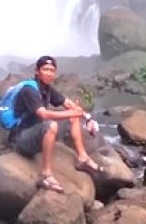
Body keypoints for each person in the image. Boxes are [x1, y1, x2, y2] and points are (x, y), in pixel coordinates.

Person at [8, 54, 103, 193]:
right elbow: (43, 114)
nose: (49, 73)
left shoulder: (47, 89)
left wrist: (88, 117)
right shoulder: (29, 90)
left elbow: (70, 105)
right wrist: (73, 113)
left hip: (37, 131)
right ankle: (46, 176)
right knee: (51, 125)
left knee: (73, 114)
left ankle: (83, 158)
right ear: (37, 71)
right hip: (21, 138)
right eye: (45, 69)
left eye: (52, 70)